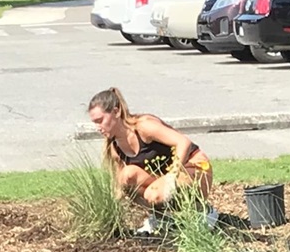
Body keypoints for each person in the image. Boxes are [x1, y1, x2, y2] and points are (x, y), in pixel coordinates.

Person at [87, 87, 216, 232]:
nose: (98, 127)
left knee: (153, 194)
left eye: (100, 120)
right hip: (165, 180)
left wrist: (172, 175)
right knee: (126, 176)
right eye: (94, 123)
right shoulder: (115, 148)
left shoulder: (144, 126)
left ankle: (203, 210)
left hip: (195, 168)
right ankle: (162, 218)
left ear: (116, 112)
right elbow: (120, 187)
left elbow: (183, 142)